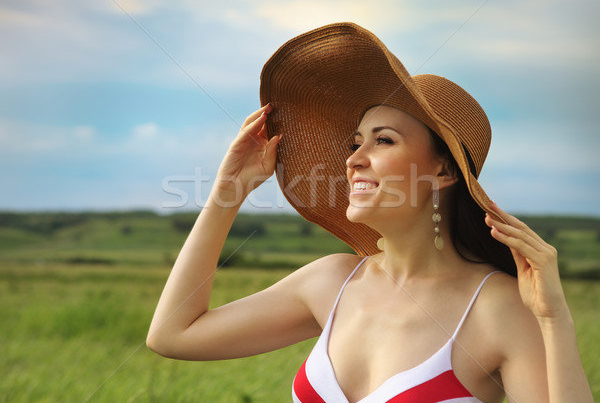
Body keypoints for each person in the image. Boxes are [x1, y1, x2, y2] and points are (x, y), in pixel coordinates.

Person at [147, 23, 593, 402]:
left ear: (442, 171)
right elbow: (173, 334)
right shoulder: (331, 282)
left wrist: (554, 320)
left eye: (383, 140)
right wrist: (230, 190)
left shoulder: (498, 308)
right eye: (355, 142)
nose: (355, 159)